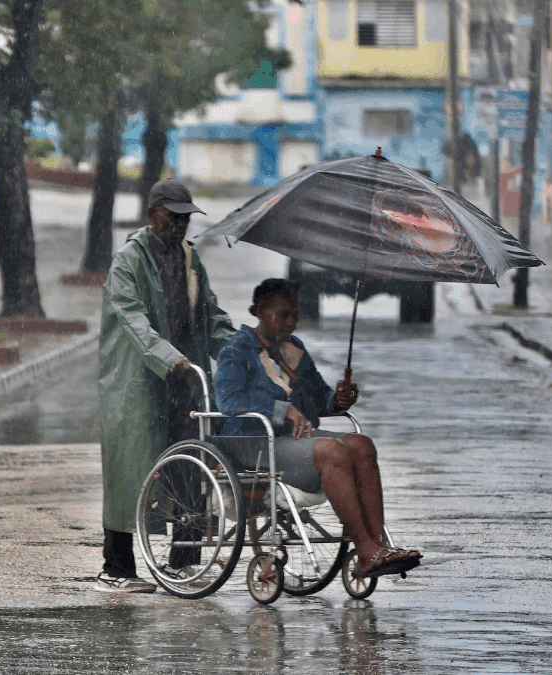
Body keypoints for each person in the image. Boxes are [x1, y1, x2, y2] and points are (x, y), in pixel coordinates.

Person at [213, 278, 422, 579]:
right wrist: (282, 410)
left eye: (295, 315)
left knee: (362, 445)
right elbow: (228, 400)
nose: (291, 322)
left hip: (290, 440)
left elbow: (320, 398)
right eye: (283, 314)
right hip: (252, 443)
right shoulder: (236, 349)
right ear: (260, 311)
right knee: (331, 450)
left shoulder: (294, 349)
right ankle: (366, 550)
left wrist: (338, 400)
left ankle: (379, 545)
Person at [95, 180, 235, 592]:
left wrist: (245, 349)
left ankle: (184, 562)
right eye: (173, 217)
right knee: (129, 473)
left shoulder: (190, 259)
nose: (180, 225)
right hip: (137, 384)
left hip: (185, 382)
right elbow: (132, 317)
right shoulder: (128, 261)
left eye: (185, 218)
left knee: (190, 465)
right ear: (152, 214)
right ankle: (116, 569)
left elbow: (210, 314)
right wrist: (168, 357)